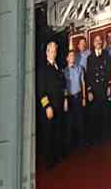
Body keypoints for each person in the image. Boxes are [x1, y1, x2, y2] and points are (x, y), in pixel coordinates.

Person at [36, 36, 65, 172]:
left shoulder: (57, 66)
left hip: (58, 104)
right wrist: (47, 106)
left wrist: (64, 99)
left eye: (55, 51)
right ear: (47, 52)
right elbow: (41, 91)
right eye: (51, 51)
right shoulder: (43, 68)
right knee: (48, 133)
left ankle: (56, 156)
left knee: (57, 131)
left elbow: (62, 85)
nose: (54, 53)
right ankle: (49, 161)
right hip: (49, 106)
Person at [85, 29, 111, 147]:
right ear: (93, 43)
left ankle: (105, 136)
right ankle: (96, 137)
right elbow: (89, 75)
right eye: (96, 40)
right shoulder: (90, 57)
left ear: (102, 42)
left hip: (104, 87)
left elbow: (109, 71)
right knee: (95, 113)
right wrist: (89, 91)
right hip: (95, 89)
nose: (98, 42)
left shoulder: (106, 54)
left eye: (100, 40)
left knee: (105, 112)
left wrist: (109, 86)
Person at [63, 34, 88, 157]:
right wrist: (65, 100)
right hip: (69, 99)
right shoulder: (64, 71)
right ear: (67, 58)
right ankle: (69, 147)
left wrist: (84, 97)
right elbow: (63, 87)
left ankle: (82, 145)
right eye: (70, 56)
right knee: (69, 123)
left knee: (80, 122)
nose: (72, 57)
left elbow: (83, 83)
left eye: (74, 56)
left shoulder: (80, 68)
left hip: (78, 97)